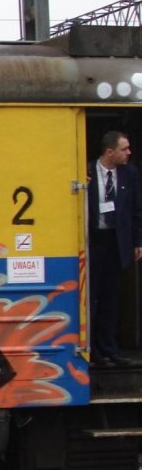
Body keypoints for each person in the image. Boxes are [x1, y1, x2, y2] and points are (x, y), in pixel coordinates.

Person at [87, 131, 142, 367]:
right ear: (110, 152)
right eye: (124, 149)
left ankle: (109, 349)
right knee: (91, 297)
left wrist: (137, 241)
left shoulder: (130, 173)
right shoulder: (86, 170)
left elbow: (137, 209)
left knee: (111, 297)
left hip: (116, 241)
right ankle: (91, 350)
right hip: (92, 242)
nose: (129, 153)